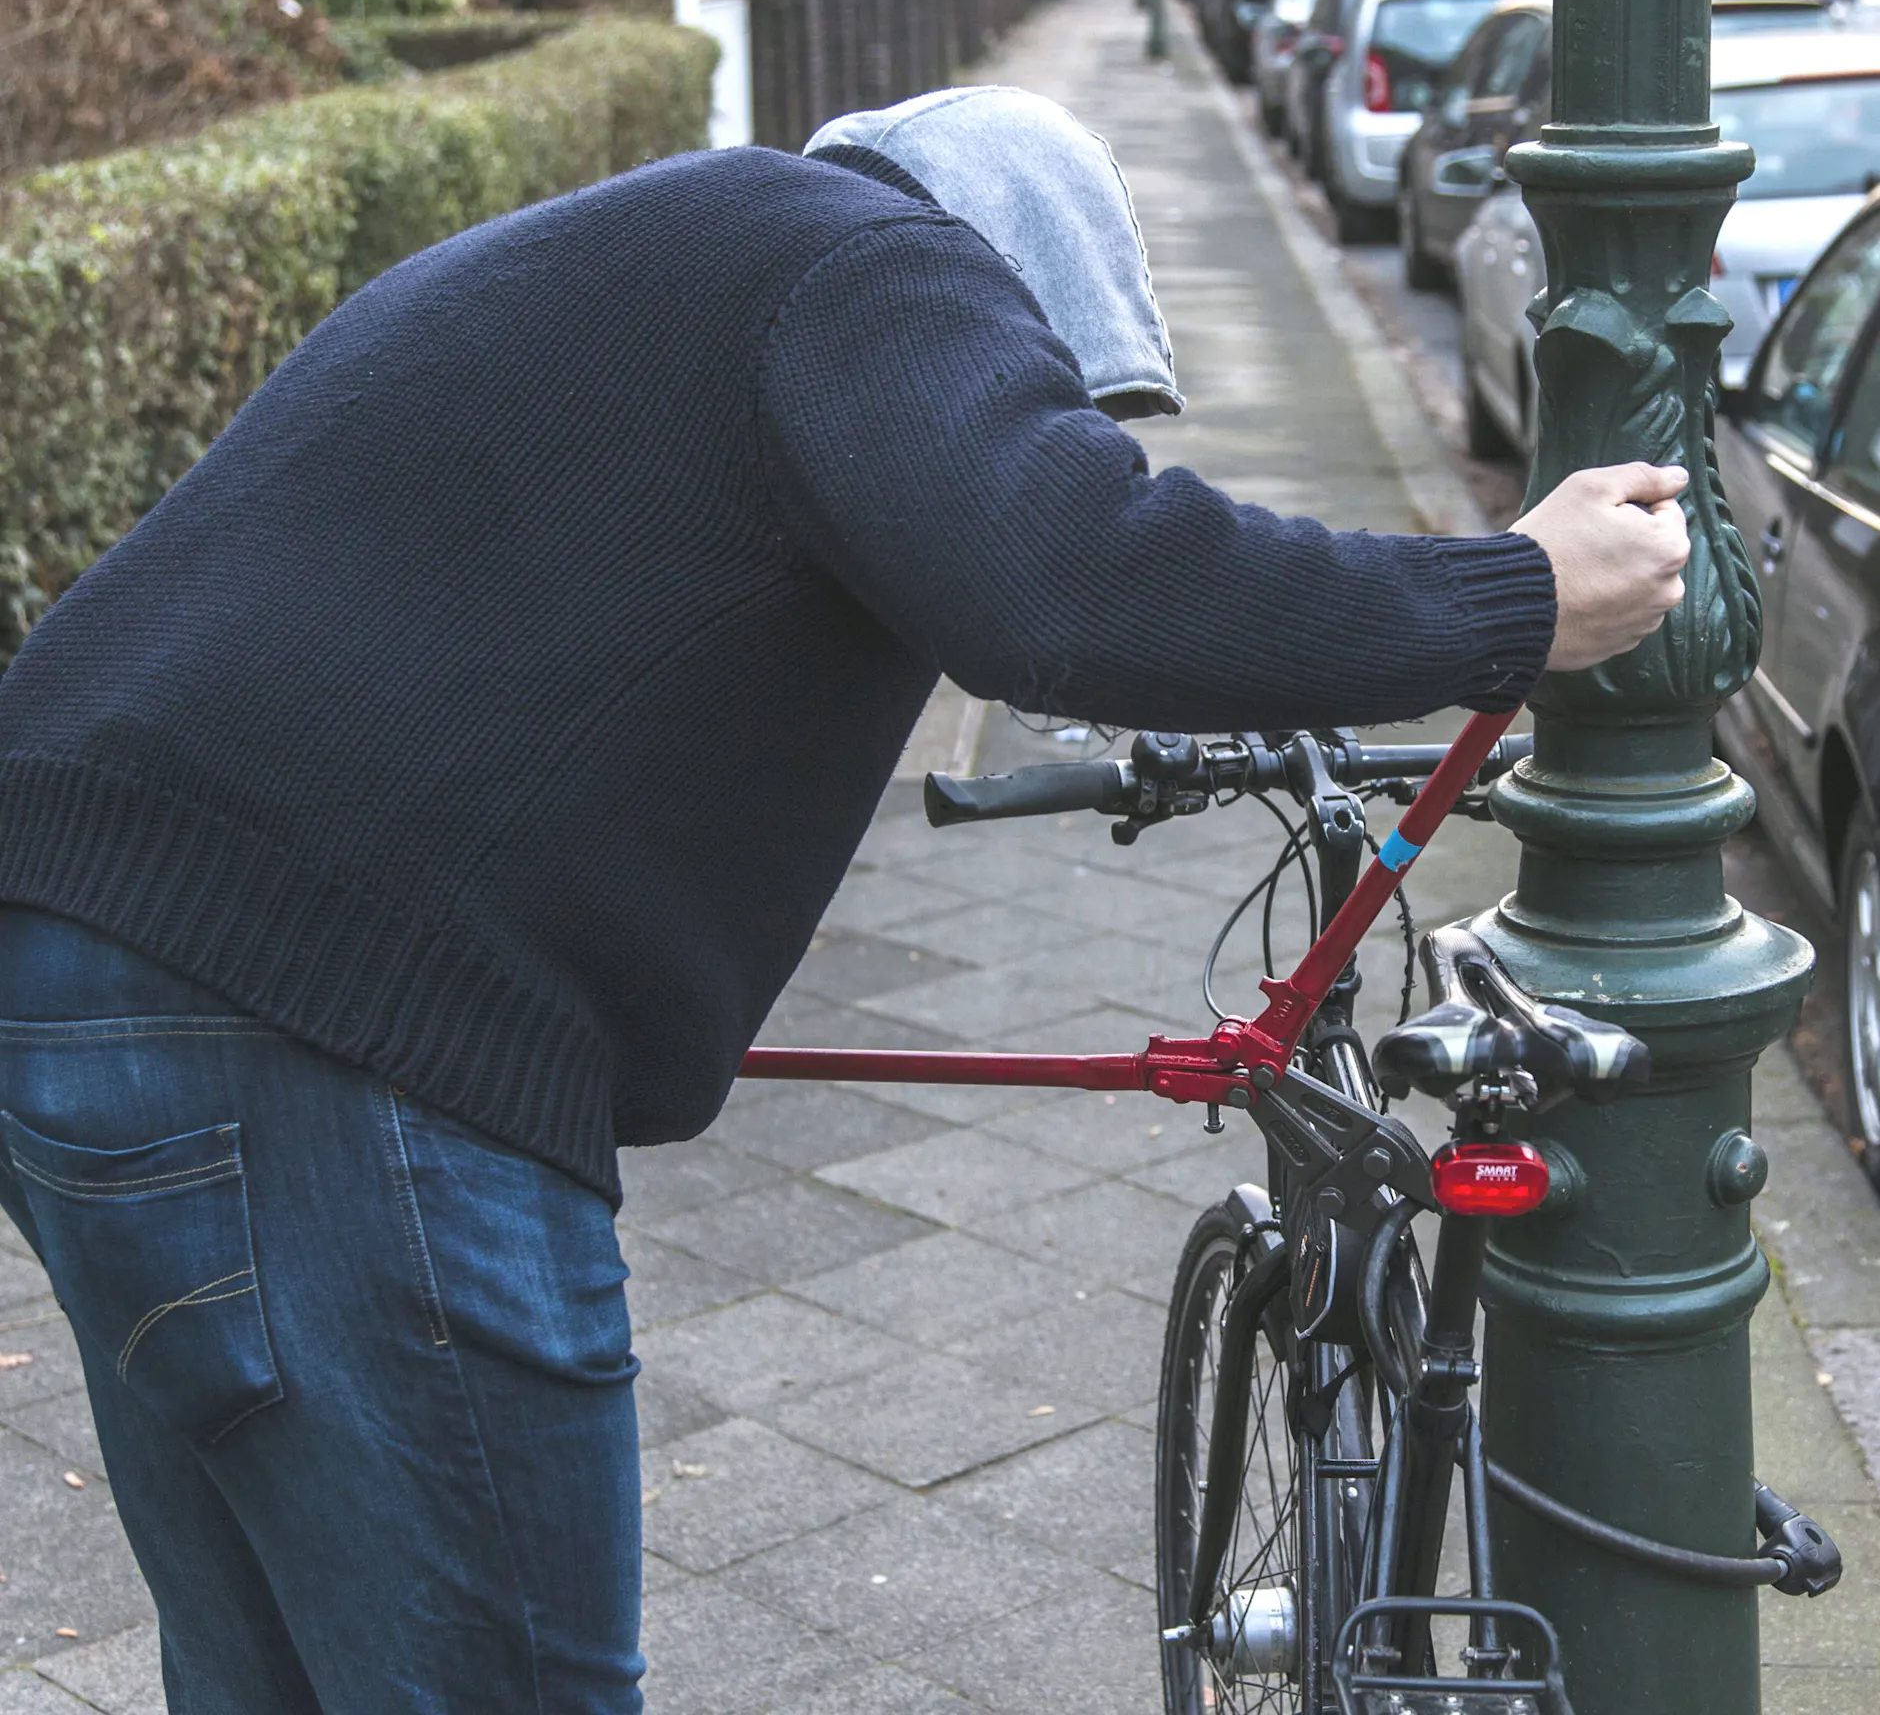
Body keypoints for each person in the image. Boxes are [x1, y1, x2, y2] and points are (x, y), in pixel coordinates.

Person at [0, 86, 1686, 1713]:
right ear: (1008, 292)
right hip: (311, 1017)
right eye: (1036, 398)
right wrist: (1515, 593)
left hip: (91, 943)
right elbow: (1076, 582)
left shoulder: (675, 263)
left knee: (270, 1675)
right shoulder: (869, 262)